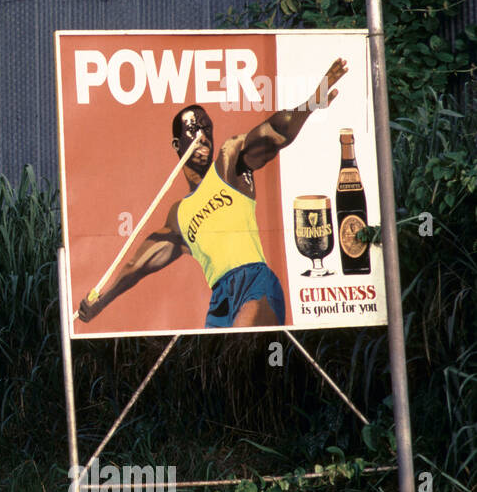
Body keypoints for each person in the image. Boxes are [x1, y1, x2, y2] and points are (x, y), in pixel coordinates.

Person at [78, 58, 347, 329]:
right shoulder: (179, 216)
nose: (202, 135)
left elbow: (276, 131)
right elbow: (136, 267)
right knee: (218, 366)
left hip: (254, 282)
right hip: (220, 299)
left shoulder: (229, 161)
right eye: (193, 129)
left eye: (207, 128)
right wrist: (101, 302)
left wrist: (311, 104)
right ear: (177, 143)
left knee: (242, 349)